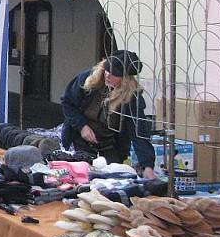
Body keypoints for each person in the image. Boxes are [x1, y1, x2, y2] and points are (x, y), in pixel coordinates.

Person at [60, 50, 156, 178]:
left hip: (110, 144)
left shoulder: (131, 98)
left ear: (125, 79)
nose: (107, 76)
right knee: (81, 174)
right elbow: (67, 103)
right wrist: (82, 126)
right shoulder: (88, 78)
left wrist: (147, 166)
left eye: (114, 74)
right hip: (80, 138)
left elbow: (138, 132)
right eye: (107, 70)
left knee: (111, 177)